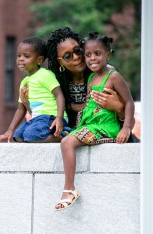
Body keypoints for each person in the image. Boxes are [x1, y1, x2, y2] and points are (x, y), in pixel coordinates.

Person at [55, 32, 135, 211]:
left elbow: (128, 102)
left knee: (67, 143)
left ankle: (69, 189)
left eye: (97, 54)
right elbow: (88, 105)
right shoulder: (92, 77)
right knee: (63, 138)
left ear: (108, 54)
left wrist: (127, 127)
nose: (92, 58)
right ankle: (69, 188)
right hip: (90, 124)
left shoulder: (113, 76)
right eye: (88, 54)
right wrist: (67, 108)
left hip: (105, 126)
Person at [0, 36, 67, 143]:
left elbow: (59, 95)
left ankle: (63, 136)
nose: (21, 59)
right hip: (37, 119)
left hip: (51, 117)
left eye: (26, 56)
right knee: (18, 137)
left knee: (30, 136)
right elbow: (21, 109)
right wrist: (10, 130)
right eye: (18, 55)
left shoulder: (45, 74)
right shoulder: (24, 82)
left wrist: (59, 117)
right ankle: (50, 134)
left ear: (39, 60)